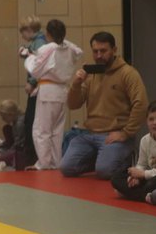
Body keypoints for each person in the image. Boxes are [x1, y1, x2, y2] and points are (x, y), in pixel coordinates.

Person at [62, 31, 148, 180]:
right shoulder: (90, 74)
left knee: (104, 171)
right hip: (90, 134)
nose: (99, 55)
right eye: (95, 51)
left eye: (103, 51)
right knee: (66, 168)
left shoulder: (128, 73)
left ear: (114, 50)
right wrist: (76, 85)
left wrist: (126, 133)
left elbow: (141, 104)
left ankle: (121, 158)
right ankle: (101, 159)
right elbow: (73, 105)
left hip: (115, 135)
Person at [23, 19, 82, 170]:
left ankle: (44, 163)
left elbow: (35, 69)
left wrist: (28, 57)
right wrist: (63, 40)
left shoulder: (49, 48)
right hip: (62, 91)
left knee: (42, 130)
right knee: (57, 131)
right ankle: (56, 163)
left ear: (48, 34)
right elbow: (78, 51)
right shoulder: (69, 48)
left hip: (48, 91)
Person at [109, 101, 156, 202]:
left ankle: (131, 193)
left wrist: (143, 174)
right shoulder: (145, 140)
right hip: (149, 176)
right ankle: (144, 195)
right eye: (151, 119)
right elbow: (141, 164)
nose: (155, 123)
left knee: (153, 183)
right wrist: (136, 177)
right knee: (116, 178)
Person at [18, 15, 45, 166]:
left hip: (37, 88)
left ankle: (33, 158)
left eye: (22, 32)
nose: (22, 35)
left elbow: (40, 65)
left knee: (31, 122)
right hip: (39, 87)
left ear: (28, 30)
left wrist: (32, 82)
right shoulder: (37, 43)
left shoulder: (39, 43)